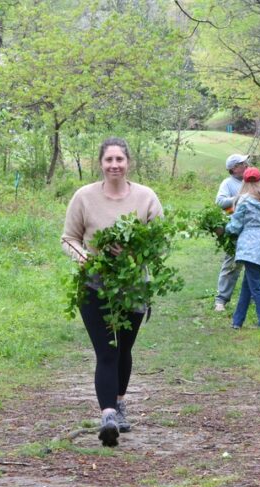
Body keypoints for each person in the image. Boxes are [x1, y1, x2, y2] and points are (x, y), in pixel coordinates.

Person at [61, 137, 163, 447]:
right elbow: (69, 238)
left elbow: (159, 242)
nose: (114, 165)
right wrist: (86, 258)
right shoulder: (84, 197)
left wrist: (134, 251)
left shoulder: (146, 197)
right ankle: (107, 416)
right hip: (94, 286)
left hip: (133, 288)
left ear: (128, 162)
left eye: (119, 159)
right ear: (101, 163)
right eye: (109, 160)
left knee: (123, 350)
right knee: (106, 351)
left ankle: (118, 402)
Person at [213, 153, 260, 312]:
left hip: (253, 232)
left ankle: (254, 299)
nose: (246, 164)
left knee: (252, 267)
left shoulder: (256, 177)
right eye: (242, 163)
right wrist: (239, 198)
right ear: (233, 168)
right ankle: (221, 300)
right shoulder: (228, 183)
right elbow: (220, 201)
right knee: (231, 265)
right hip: (237, 230)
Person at [225, 167, 260, 329]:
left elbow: (236, 225)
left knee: (256, 285)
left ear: (244, 181)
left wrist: (225, 229)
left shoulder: (244, 200)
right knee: (248, 284)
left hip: (249, 245)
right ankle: (237, 321)